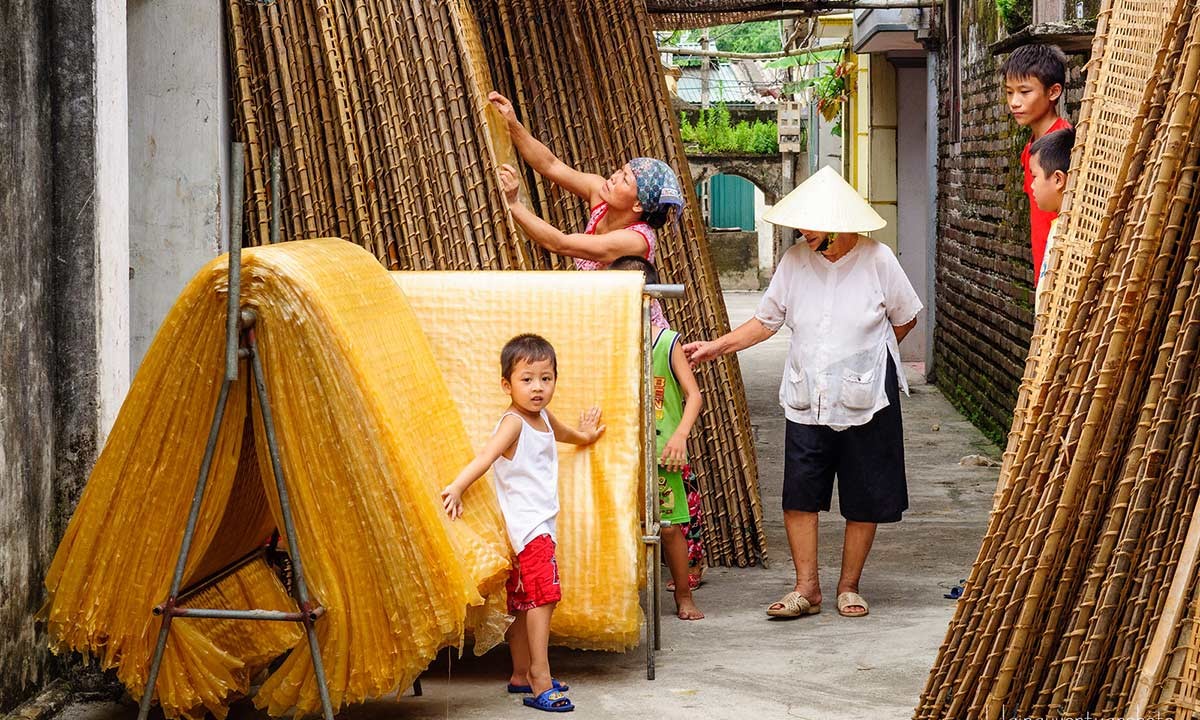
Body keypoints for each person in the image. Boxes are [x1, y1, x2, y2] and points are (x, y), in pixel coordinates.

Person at [683, 167, 922, 620]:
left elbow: (905, 315)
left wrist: (868, 354)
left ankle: (848, 587)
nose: (804, 232)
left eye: (813, 225)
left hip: (866, 396)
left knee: (864, 494)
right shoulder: (794, 261)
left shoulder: (878, 259)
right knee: (800, 494)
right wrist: (717, 346)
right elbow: (766, 321)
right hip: (806, 395)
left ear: (839, 223)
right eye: (802, 225)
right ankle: (806, 588)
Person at [440, 334, 605, 713]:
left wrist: (587, 435)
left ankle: (519, 674)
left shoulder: (543, 417)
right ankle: (540, 680)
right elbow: (486, 455)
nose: (537, 388)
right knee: (543, 600)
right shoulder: (513, 423)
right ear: (507, 385)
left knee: (522, 601)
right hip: (531, 531)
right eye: (527, 379)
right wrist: (458, 486)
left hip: (528, 530)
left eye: (546, 379)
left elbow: (564, 435)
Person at [488, 90, 683, 329]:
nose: (613, 177)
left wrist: (513, 204)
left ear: (638, 204)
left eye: (625, 180)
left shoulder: (636, 240)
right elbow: (551, 165)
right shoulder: (600, 193)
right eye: (620, 170)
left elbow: (560, 244)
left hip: (635, 330)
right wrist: (513, 124)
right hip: (600, 319)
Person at [610, 256, 705, 620]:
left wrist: (680, 435)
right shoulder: (612, 343)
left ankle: (684, 595)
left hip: (664, 450)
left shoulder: (667, 342)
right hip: (622, 450)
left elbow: (693, 395)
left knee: (669, 528)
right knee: (623, 525)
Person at [1002, 43, 1072, 284]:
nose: (1014, 102)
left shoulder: (1066, 144)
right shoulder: (1030, 149)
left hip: (1061, 271)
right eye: (1009, 92)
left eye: (1024, 91)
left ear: (1053, 92)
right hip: (1043, 269)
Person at [1029, 128, 1076, 313]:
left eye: (1035, 177)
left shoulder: (1068, 234)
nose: (1031, 185)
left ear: (1058, 179)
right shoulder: (1059, 226)